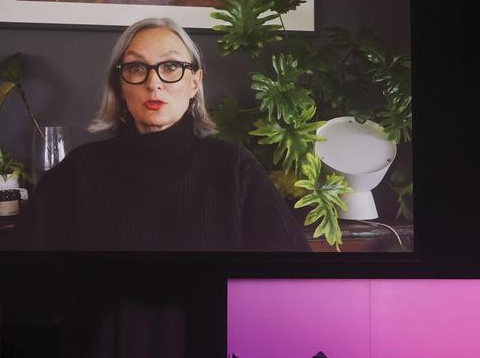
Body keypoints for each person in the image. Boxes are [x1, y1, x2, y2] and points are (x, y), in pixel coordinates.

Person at [17, 18, 310, 251]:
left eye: (171, 66)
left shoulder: (234, 168)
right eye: (136, 68)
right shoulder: (79, 170)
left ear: (195, 82)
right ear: (120, 85)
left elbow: (289, 276)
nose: (154, 83)